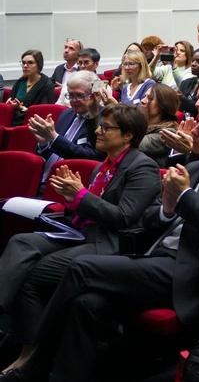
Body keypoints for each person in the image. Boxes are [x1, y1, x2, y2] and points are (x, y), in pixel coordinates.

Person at [8, 99, 199, 382]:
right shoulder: (193, 168)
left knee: (81, 267)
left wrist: (186, 195)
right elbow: (149, 220)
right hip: (153, 256)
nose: (193, 130)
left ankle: (35, 361)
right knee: (86, 304)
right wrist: (167, 208)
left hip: (186, 270)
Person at [0, 105, 158, 377]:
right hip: (78, 232)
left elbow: (123, 218)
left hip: (107, 242)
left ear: (128, 135)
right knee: (21, 242)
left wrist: (81, 196)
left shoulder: (143, 167)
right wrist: (73, 199)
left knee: (35, 273)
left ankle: (31, 352)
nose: (98, 131)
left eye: (106, 128)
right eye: (100, 126)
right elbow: (87, 206)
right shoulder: (103, 166)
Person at [28, 71, 104, 182]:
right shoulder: (66, 114)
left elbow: (92, 157)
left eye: (79, 95)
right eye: (70, 95)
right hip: (42, 178)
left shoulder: (104, 120)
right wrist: (44, 142)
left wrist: (54, 137)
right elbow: (52, 152)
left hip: (71, 182)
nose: (74, 101)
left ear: (95, 95)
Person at [137, 85, 181, 166]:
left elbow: (130, 143)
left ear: (163, 105)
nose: (143, 101)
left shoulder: (168, 133)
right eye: (144, 96)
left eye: (150, 98)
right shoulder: (142, 124)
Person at [7, 50, 56, 121]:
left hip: (33, 122)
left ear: (39, 65)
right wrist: (9, 103)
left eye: (30, 63)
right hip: (14, 119)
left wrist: (21, 108)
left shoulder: (47, 85)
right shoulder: (20, 81)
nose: (25, 66)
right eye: (23, 63)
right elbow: (11, 100)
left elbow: (44, 112)